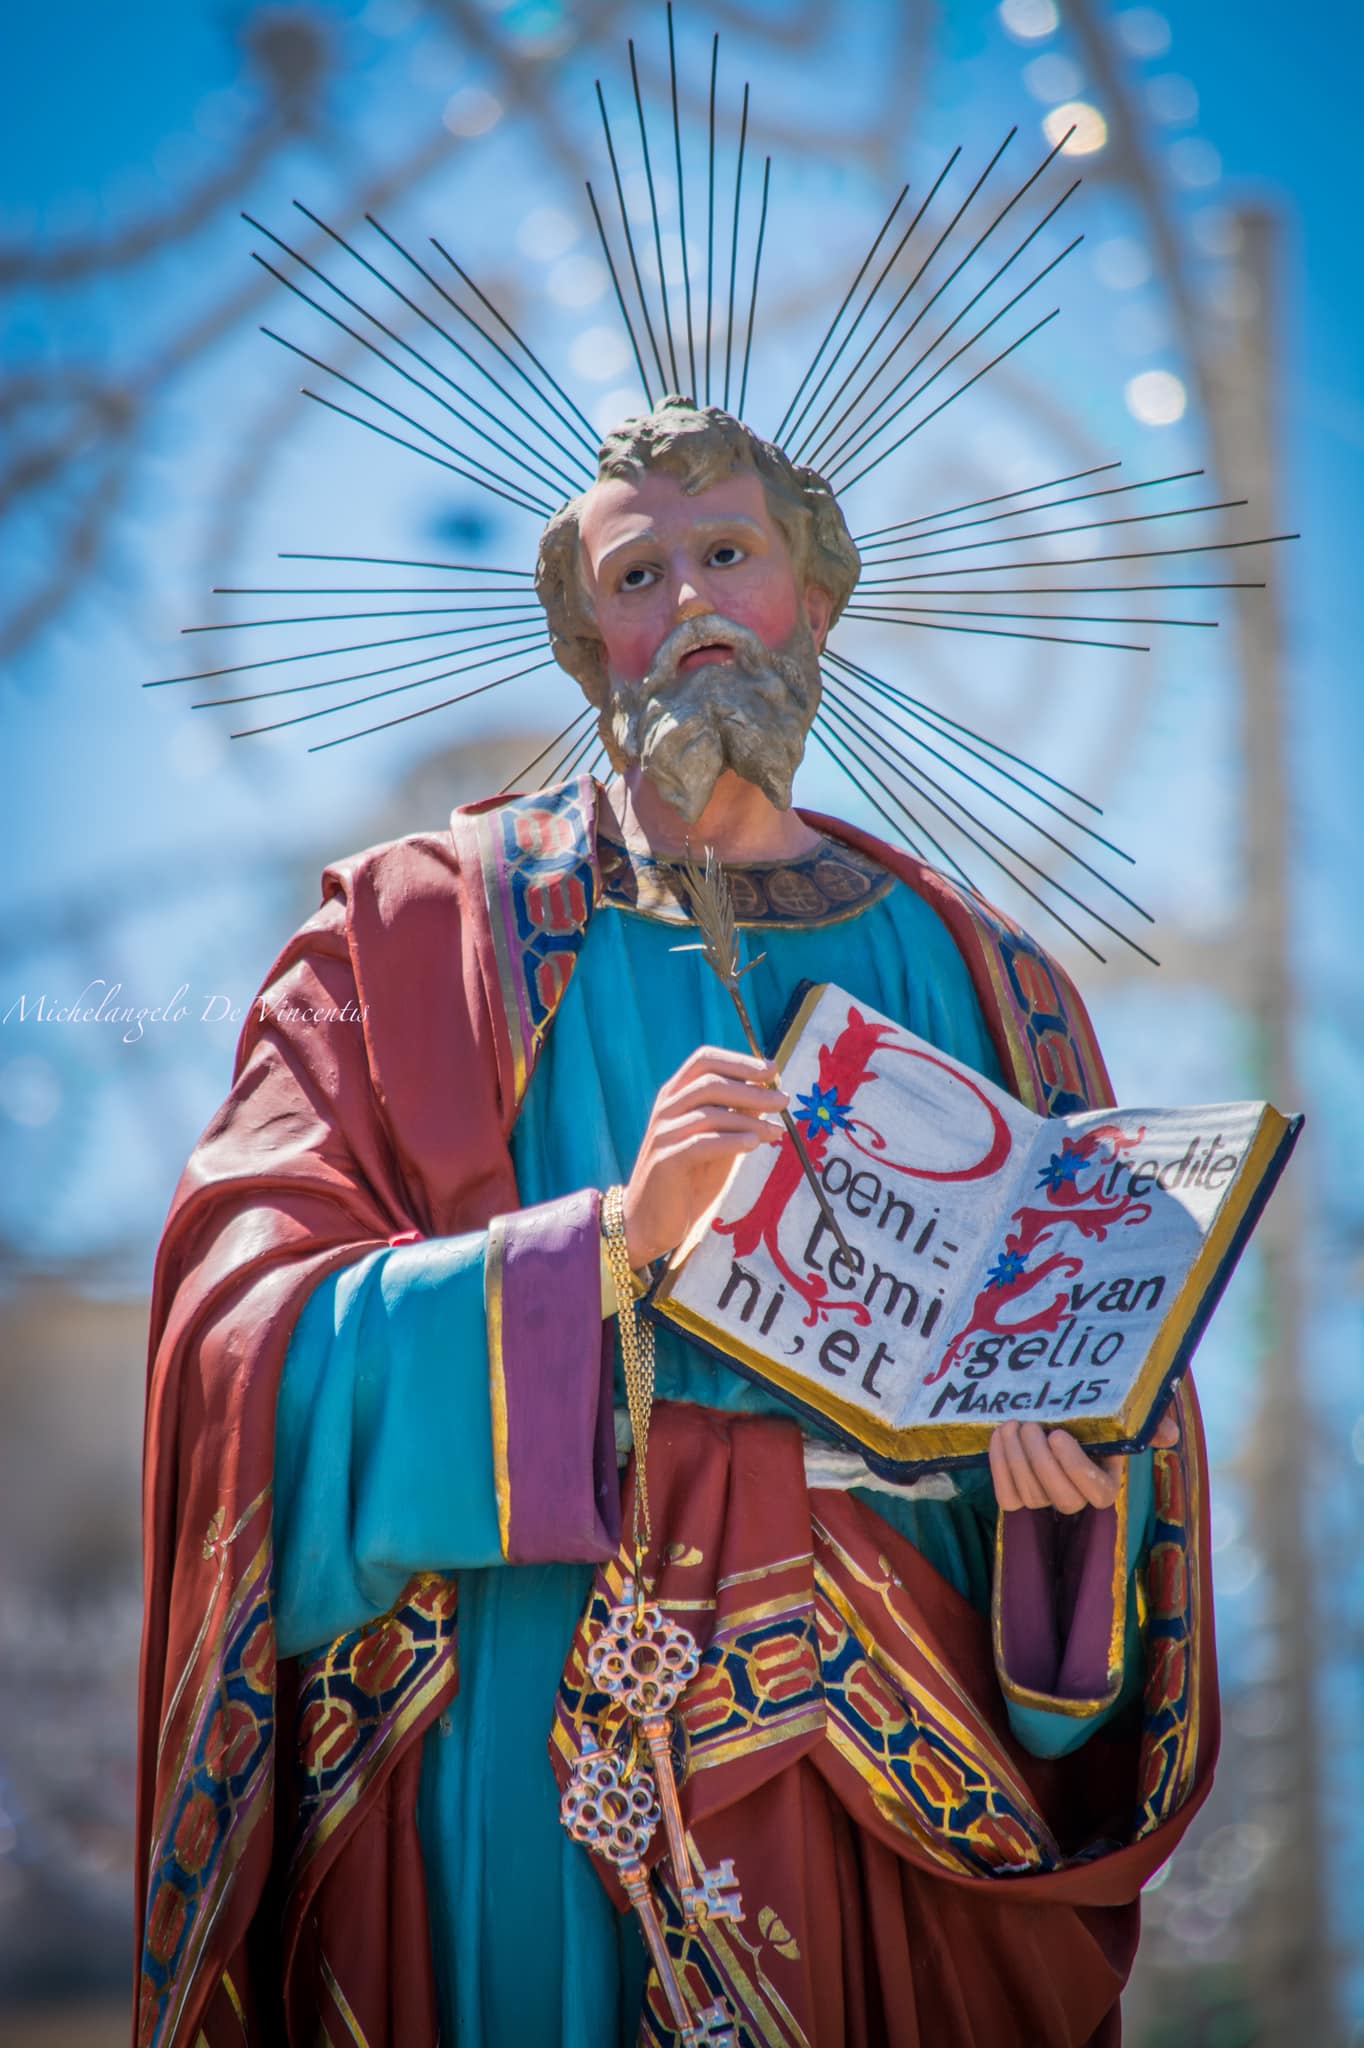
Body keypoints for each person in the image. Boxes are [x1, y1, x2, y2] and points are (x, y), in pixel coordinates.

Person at [135, 400, 1217, 2048]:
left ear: (819, 596)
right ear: (588, 645)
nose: (693, 606)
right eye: (639, 577)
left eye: (730, 556)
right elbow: (237, 1349)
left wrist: (1072, 1488)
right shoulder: (415, 947)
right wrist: (594, 1263)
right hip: (530, 1726)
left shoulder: (996, 980)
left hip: (896, 1742)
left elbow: (1107, 1365)